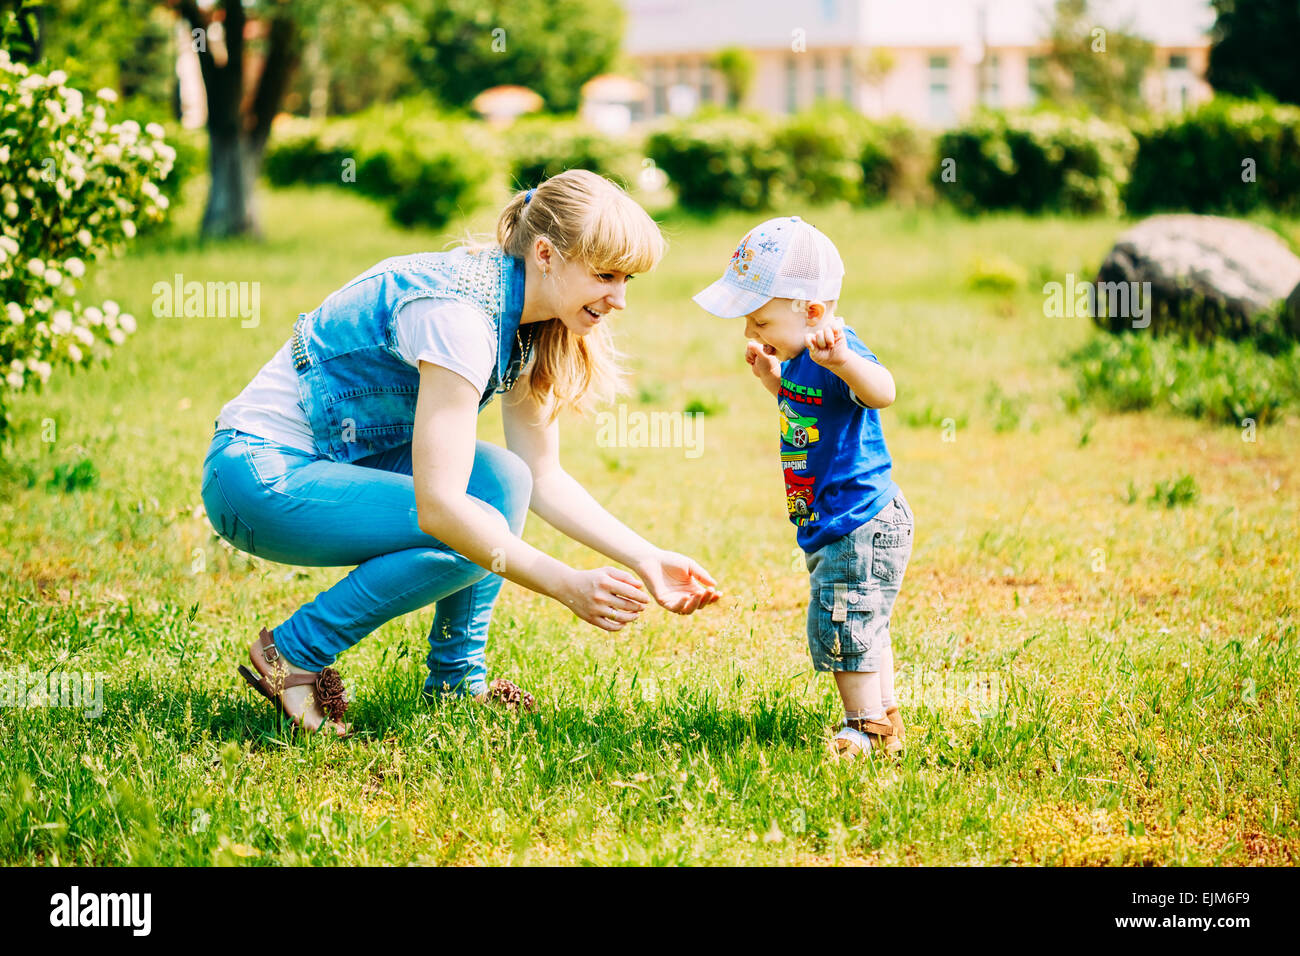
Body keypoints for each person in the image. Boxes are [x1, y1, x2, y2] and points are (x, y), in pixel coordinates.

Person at [201, 170, 720, 736]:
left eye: (628, 279)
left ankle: (455, 684)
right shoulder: (461, 319)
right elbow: (442, 510)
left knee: (504, 478)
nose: (619, 299)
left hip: (329, 465)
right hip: (257, 479)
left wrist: (643, 558)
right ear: (545, 254)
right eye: (606, 275)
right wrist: (566, 583)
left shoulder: (529, 322)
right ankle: (294, 654)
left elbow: (544, 477)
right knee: (472, 521)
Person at [692, 216, 913, 758]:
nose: (752, 333)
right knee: (863, 618)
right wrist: (773, 380)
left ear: (811, 310)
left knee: (844, 618)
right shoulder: (796, 359)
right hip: (835, 520)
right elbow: (809, 415)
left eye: (760, 321)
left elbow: (883, 392)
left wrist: (842, 361)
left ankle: (862, 727)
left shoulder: (836, 350)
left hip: (857, 520)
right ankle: (882, 718)